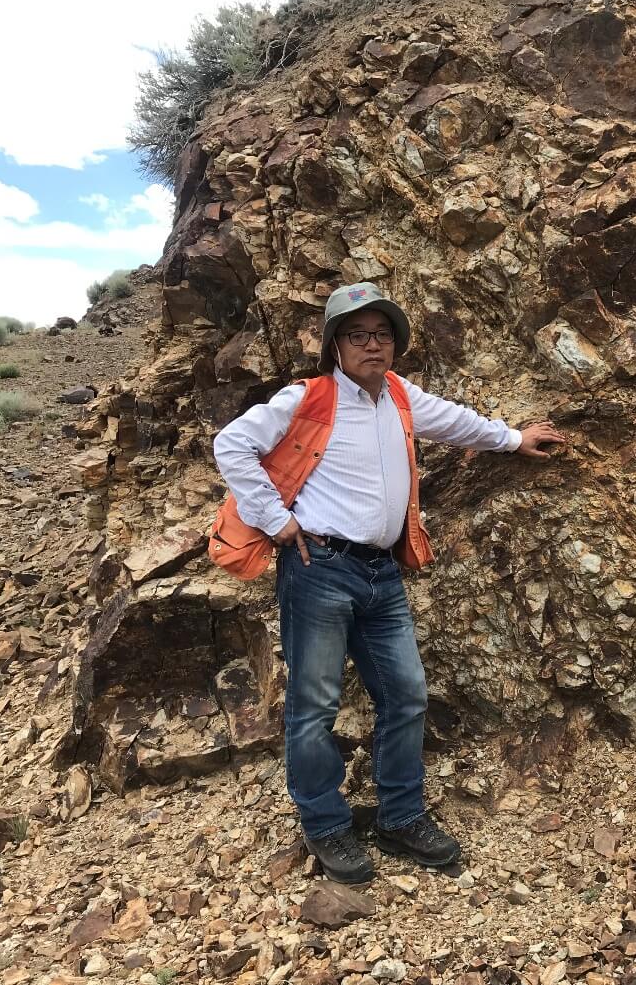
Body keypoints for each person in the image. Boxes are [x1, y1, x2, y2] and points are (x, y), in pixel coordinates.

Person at [212, 281, 565, 883]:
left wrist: (513, 438)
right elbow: (232, 444)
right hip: (318, 569)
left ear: (395, 343)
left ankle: (400, 816)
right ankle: (325, 826)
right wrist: (275, 519)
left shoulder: (399, 395)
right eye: (357, 335)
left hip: (382, 571)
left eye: (382, 334)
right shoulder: (307, 398)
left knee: (406, 695)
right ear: (335, 345)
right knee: (314, 707)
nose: (372, 345)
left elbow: (455, 423)